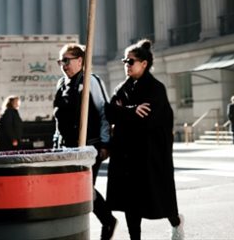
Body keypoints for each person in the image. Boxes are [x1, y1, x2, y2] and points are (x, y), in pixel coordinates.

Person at [105, 39, 184, 240]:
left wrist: (123, 112)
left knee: (160, 199)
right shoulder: (122, 87)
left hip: (151, 156)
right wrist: (130, 111)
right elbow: (110, 112)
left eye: (130, 61)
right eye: (124, 61)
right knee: (130, 204)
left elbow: (146, 120)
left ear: (144, 64)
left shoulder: (156, 88)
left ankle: (176, 222)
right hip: (126, 155)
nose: (126, 65)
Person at [53, 43, 117, 240]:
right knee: (72, 188)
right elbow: (58, 119)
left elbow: (104, 112)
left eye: (67, 60)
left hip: (90, 145)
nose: (63, 65)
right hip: (67, 147)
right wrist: (56, 143)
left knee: (85, 187)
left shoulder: (91, 81)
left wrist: (106, 143)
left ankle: (107, 221)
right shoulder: (61, 84)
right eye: (60, 61)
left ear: (80, 60)